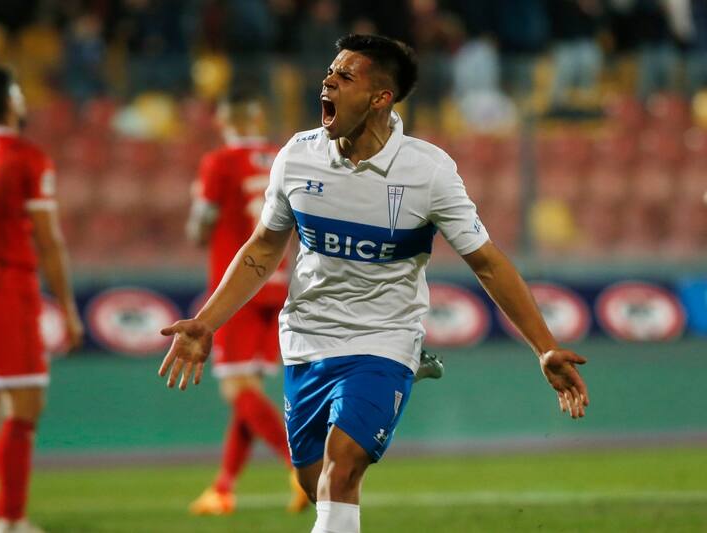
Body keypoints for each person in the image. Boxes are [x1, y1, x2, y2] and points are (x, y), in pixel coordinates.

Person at [158, 34, 590, 533]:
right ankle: (398, 384)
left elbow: (488, 262)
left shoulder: (428, 172)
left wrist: (544, 347)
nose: (328, 81)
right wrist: (206, 322)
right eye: (329, 72)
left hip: (385, 336)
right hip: (307, 338)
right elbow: (262, 247)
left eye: (345, 76)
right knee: (313, 479)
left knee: (341, 471)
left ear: (381, 97)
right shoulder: (297, 157)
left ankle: (400, 371)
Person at [0, 67, 83, 533]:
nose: (25, 98)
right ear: (8, 101)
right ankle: (12, 520)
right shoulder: (26, 157)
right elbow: (48, 241)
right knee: (25, 407)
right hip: (6, 286)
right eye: (20, 91)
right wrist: (66, 307)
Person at [184, 89, 309, 515]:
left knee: (237, 389)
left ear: (223, 123)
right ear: (256, 119)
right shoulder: (279, 157)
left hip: (234, 286)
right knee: (247, 389)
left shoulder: (219, 162)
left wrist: (200, 212)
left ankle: (300, 468)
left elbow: (200, 226)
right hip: (276, 283)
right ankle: (223, 489)